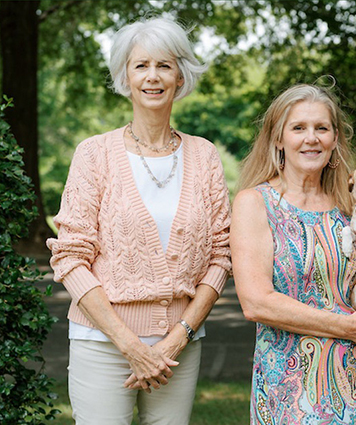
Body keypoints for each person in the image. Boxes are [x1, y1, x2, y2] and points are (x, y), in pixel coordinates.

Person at [46, 17, 230, 424]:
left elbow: (221, 256)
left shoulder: (204, 156)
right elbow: (70, 258)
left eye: (165, 65)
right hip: (103, 343)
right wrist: (130, 344)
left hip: (179, 347)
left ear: (181, 76)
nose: (153, 76)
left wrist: (178, 336)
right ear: (125, 76)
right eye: (140, 65)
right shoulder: (93, 154)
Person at [231, 83, 356, 423]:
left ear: (335, 138)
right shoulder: (256, 203)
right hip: (290, 389)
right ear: (278, 139)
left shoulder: (353, 207)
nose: (311, 138)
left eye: (321, 128)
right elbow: (256, 302)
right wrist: (347, 327)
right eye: (298, 128)